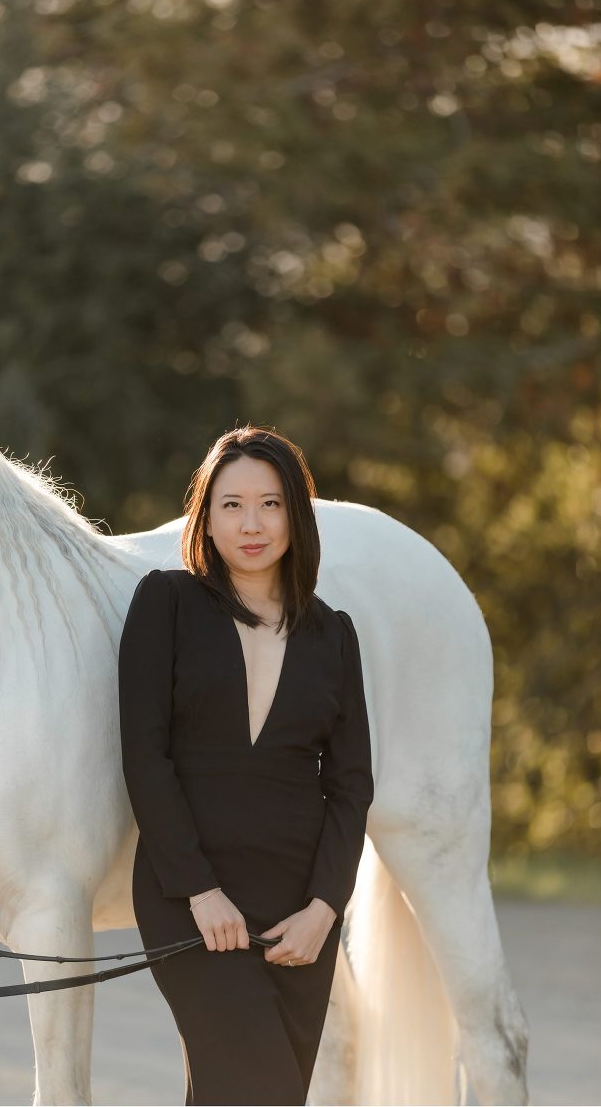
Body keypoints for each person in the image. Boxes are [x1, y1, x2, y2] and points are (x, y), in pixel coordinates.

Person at [118, 425, 374, 1107]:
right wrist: (199, 888)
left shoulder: (334, 633)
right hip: (191, 900)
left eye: (269, 503)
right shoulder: (166, 603)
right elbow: (145, 755)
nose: (251, 523)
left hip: (300, 913)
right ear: (205, 515)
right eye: (230, 504)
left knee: (247, 1095)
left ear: (296, 512)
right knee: (257, 1090)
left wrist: (325, 907)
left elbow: (350, 786)